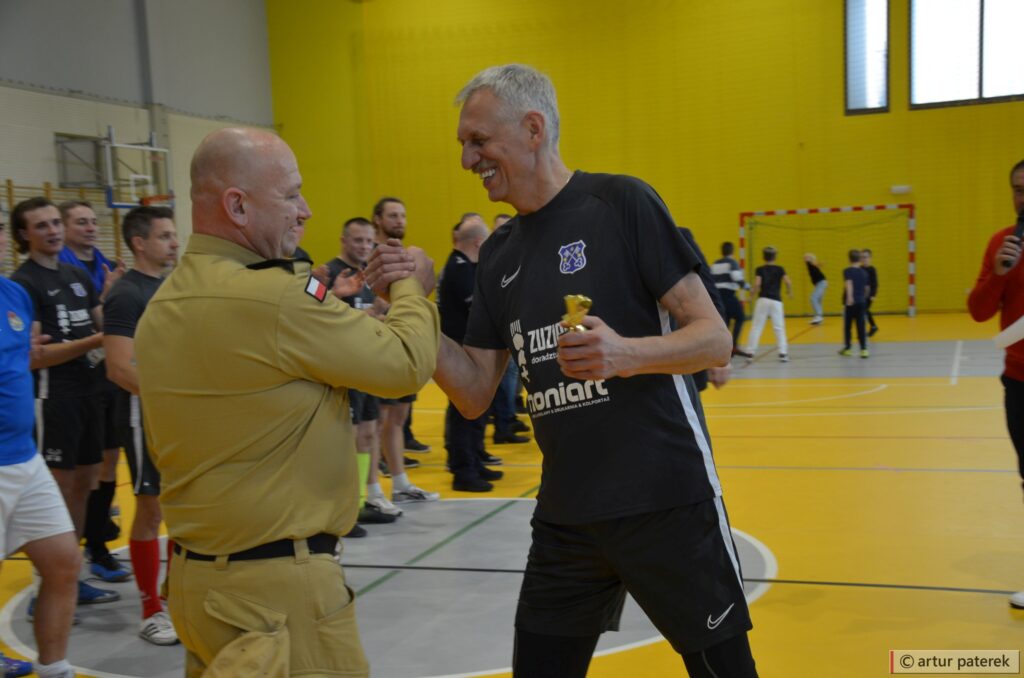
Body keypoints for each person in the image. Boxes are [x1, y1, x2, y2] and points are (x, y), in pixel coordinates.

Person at [392, 63, 756, 678]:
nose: (467, 159)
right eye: (463, 144)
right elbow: (475, 392)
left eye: (478, 141)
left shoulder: (621, 203)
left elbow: (714, 339)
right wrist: (413, 307)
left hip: (666, 500)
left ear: (533, 128)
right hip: (567, 514)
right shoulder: (498, 253)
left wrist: (626, 354)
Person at [134, 127, 439, 676]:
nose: (305, 210)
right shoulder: (273, 297)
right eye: (291, 194)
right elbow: (405, 365)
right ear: (237, 206)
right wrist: (410, 286)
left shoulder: (164, 302)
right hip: (277, 594)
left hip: (195, 585)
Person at [9, 197, 121, 609]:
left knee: (84, 484)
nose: (53, 231)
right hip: (54, 398)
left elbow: (101, 324)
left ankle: (70, 574)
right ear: (24, 235)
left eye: (56, 222)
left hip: (91, 392)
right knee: (56, 489)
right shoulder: (24, 282)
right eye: (42, 226)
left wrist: (116, 308)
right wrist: (95, 341)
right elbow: (36, 356)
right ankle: (44, 585)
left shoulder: (76, 274)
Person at [1, 218, 80, 678]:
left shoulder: (14, 294)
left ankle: (55, 669)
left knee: (64, 562)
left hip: (24, 456)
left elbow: (24, 358)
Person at [102, 205, 180, 645]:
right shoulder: (127, 294)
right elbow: (118, 367)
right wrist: (170, 397)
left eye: (173, 234)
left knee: (181, 506)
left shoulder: (170, 286)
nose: (174, 242)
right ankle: (151, 610)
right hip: (143, 413)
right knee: (151, 510)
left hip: (175, 414)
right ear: (139, 242)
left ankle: (174, 594)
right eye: (165, 236)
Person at [57, 200, 131, 584]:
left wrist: (109, 296)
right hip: (68, 386)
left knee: (107, 461)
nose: (89, 227)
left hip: (105, 376)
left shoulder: (103, 264)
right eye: (80, 222)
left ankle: (97, 544)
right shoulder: (59, 270)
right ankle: (70, 561)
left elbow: (104, 322)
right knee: (76, 475)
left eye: (92, 221)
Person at [323, 216, 405, 526]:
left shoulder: (369, 276)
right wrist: (366, 313)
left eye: (369, 241)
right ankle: (344, 506)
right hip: (342, 371)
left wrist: (381, 317)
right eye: (358, 240)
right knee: (350, 436)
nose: (364, 246)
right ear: (344, 240)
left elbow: (369, 318)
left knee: (370, 432)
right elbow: (315, 315)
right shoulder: (327, 273)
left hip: (366, 369)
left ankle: (366, 496)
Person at [968, 158, 1024, 609]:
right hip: (1019, 380)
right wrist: (1000, 274)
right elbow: (979, 311)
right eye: (1018, 189)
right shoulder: (1002, 243)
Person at [371, 196, 438, 503]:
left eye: (403, 215)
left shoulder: (405, 259)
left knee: (397, 419)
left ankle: (400, 484)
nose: (399, 221)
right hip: (377, 350)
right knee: (372, 426)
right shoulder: (371, 258)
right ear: (378, 220)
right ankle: (369, 492)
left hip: (404, 345)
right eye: (393, 215)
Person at [439, 214, 504, 491]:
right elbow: (478, 308)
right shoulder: (459, 268)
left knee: (477, 409)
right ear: (479, 242)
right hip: (460, 350)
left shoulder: (466, 266)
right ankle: (463, 470)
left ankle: (475, 460)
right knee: (464, 412)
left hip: (468, 348)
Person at [743, 246, 792, 363]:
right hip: (776, 301)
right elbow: (788, 281)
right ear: (775, 257)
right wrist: (789, 291)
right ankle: (783, 354)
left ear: (763, 257)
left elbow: (757, 284)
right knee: (779, 327)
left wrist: (751, 297)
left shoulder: (759, 269)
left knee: (756, 327)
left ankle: (750, 353)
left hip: (763, 300)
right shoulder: (780, 269)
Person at [711, 241, 750, 357]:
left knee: (726, 322)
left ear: (722, 251)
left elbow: (710, 280)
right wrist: (748, 287)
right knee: (740, 317)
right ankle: (734, 346)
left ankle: (725, 348)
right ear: (732, 251)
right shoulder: (732, 263)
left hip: (718, 296)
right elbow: (737, 278)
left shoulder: (715, 264)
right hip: (728, 295)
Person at [839, 249, 869, 358]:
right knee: (861, 326)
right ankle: (864, 349)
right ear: (859, 259)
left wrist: (850, 297)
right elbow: (866, 289)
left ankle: (848, 349)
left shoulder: (847, 271)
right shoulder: (864, 273)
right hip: (861, 301)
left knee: (848, 326)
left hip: (851, 302)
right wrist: (862, 298)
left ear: (849, 259)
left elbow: (849, 283)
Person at [804, 253, 827, 324]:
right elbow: (815, 263)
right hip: (820, 283)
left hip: (821, 283)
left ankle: (819, 316)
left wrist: (812, 259)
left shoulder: (811, 264)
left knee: (813, 298)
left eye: (807, 257)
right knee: (818, 301)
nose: (805, 258)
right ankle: (818, 318)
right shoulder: (811, 265)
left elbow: (813, 262)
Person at [861, 248, 879, 336]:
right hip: (860, 295)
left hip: (869, 295)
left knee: (864, 310)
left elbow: (875, 283)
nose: (864, 259)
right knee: (864, 311)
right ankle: (873, 326)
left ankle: (871, 327)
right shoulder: (859, 268)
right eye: (862, 257)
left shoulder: (872, 269)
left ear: (870, 258)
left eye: (866, 257)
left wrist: (873, 295)